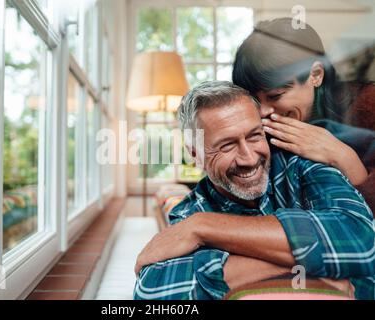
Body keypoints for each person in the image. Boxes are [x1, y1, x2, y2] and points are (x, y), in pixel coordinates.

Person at [133, 81, 375, 300]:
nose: (248, 158)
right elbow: (151, 290)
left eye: (254, 136)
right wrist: (317, 267)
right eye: (227, 145)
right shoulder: (189, 212)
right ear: (195, 154)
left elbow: (363, 241)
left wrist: (204, 228)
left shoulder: (303, 165)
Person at [232, 17, 375, 210]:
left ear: (315, 75)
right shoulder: (255, 130)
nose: (263, 111)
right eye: (254, 100)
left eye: (275, 96)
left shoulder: (367, 106)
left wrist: (343, 157)